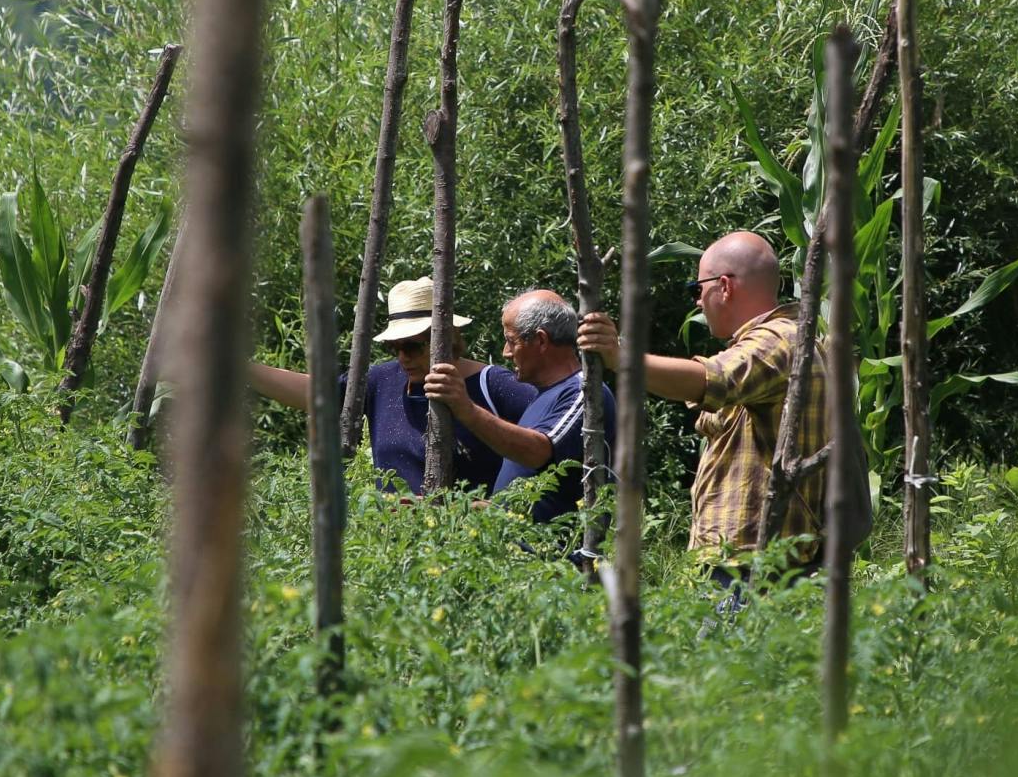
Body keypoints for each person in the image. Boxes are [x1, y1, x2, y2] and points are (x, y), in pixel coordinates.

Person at [576, 230, 827, 590]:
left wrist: (620, 358)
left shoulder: (778, 340)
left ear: (724, 286)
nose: (697, 302)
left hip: (749, 564)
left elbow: (714, 380)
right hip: (754, 561)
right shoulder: (790, 340)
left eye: (698, 290)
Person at [249, 276, 534, 496]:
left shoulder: (492, 385)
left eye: (411, 346)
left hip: (473, 553)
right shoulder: (384, 380)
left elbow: (549, 442)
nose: (402, 357)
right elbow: (319, 395)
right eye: (393, 347)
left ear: (446, 338)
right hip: (396, 553)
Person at [425, 289, 616, 524]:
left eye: (511, 341)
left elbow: (538, 452)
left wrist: (465, 408)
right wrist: (478, 508)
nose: (505, 352)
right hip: (521, 553)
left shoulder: (582, 392)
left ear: (541, 340)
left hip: (557, 555)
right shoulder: (543, 396)